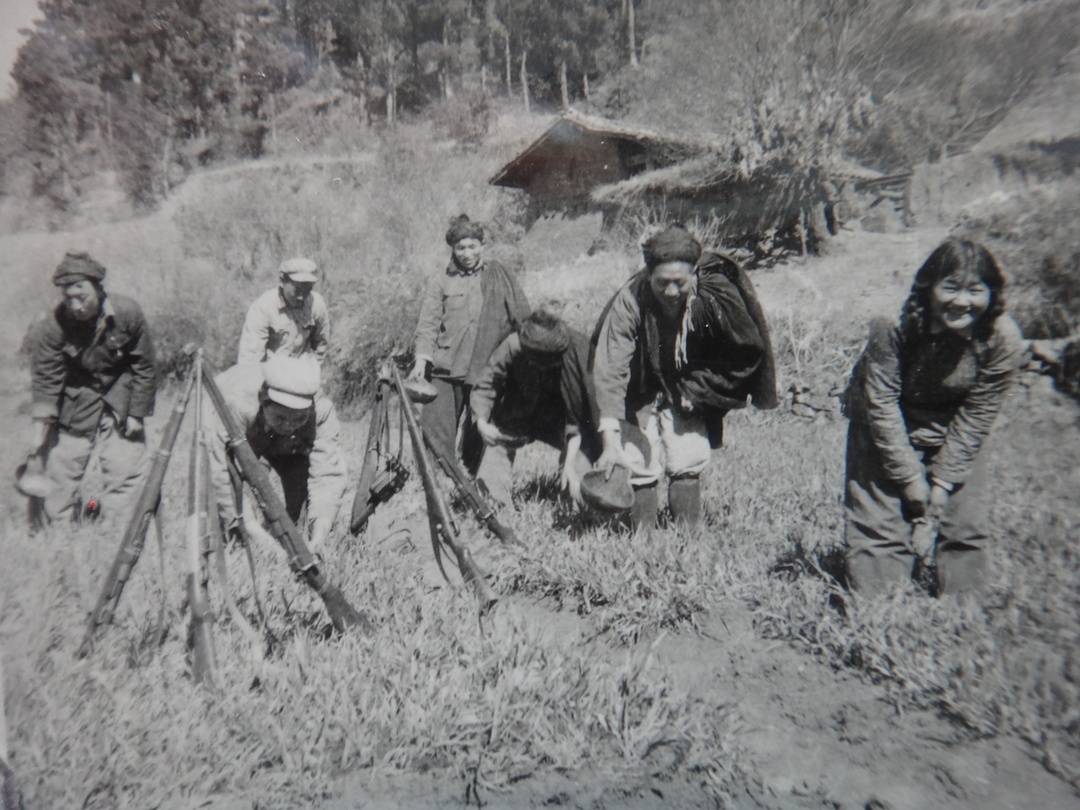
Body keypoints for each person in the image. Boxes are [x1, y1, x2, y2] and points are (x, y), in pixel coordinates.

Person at [842, 238, 1026, 596]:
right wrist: (912, 481)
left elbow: (978, 414)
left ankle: (961, 614)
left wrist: (942, 484)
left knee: (964, 522)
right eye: (951, 287)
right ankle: (879, 610)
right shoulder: (892, 323)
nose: (962, 301)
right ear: (928, 288)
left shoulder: (1003, 339)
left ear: (992, 295)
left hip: (956, 422)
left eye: (975, 290)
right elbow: (881, 402)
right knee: (878, 526)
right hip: (883, 417)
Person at [591, 225, 777, 530]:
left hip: (691, 380)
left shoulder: (714, 295)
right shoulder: (630, 301)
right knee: (638, 459)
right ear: (648, 276)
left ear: (694, 274)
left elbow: (743, 350)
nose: (671, 292)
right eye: (662, 283)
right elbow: (611, 368)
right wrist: (610, 442)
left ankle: (688, 532)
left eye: (680, 282)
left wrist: (700, 388)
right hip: (641, 383)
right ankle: (644, 535)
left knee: (688, 453)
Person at [26, 251, 157, 526]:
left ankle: (116, 528)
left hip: (119, 395)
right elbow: (46, 380)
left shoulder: (128, 313)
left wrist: (136, 413)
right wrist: (40, 432)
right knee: (61, 468)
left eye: (81, 296)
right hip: (75, 399)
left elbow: (144, 365)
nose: (75, 305)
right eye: (68, 297)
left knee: (126, 466)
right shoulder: (51, 327)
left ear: (98, 288)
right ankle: (59, 532)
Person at [409, 214, 530, 474]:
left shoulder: (496, 276)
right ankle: (436, 483)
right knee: (436, 433)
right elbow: (428, 324)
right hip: (446, 369)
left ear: (482, 246)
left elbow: (518, 317)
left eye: (472, 246)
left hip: (484, 370)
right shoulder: (440, 281)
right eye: (460, 247)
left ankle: (470, 483)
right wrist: (421, 359)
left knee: (479, 432)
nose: (467, 253)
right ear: (452, 249)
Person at [205, 356, 347, 555]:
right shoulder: (235, 402)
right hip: (246, 431)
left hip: (290, 447)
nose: (289, 426)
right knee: (231, 521)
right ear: (264, 401)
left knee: (299, 518)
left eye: (298, 418)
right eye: (281, 417)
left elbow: (327, 474)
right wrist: (257, 535)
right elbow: (219, 471)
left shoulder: (320, 410)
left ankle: (298, 529)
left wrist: (320, 535)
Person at [470, 309, 601, 507]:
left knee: (578, 470)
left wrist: (570, 463)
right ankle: (493, 501)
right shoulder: (514, 344)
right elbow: (488, 382)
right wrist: (481, 421)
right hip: (520, 413)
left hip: (560, 421)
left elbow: (577, 418)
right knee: (497, 442)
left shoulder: (573, 353)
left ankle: (572, 508)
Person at [237, 257, 330, 365]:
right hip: (269, 374)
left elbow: (321, 344)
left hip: (303, 373)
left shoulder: (316, 304)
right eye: (297, 290)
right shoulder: (263, 307)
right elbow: (250, 360)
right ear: (282, 281)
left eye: (307, 290)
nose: (302, 297)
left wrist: (313, 370)